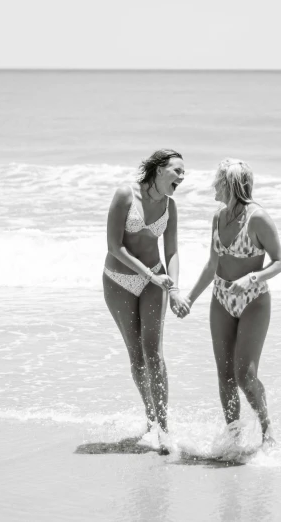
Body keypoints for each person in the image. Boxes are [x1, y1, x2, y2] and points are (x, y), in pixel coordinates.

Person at [178, 158, 281, 446]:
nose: (213, 185)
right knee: (224, 375)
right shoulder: (218, 217)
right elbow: (212, 263)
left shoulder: (258, 218)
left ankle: (267, 431)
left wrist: (252, 279)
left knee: (244, 376)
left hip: (253, 301)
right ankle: (234, 439)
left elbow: (280, 262)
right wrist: (189, 298)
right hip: (221, 298)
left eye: (217, 180)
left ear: (229, 184)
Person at [102, 149, 188, 454]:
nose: (181, 176)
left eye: (183, 173)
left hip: (155, 279)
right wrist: (149, 277)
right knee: (136, 355)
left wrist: (174, 289)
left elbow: (173, 252)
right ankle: (150, 419)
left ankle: (163, 428)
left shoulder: (170, 206)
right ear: (158, 169)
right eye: (177, 170)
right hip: (119, 280)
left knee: (155, 353)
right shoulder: (126, 195)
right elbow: (114, 247)